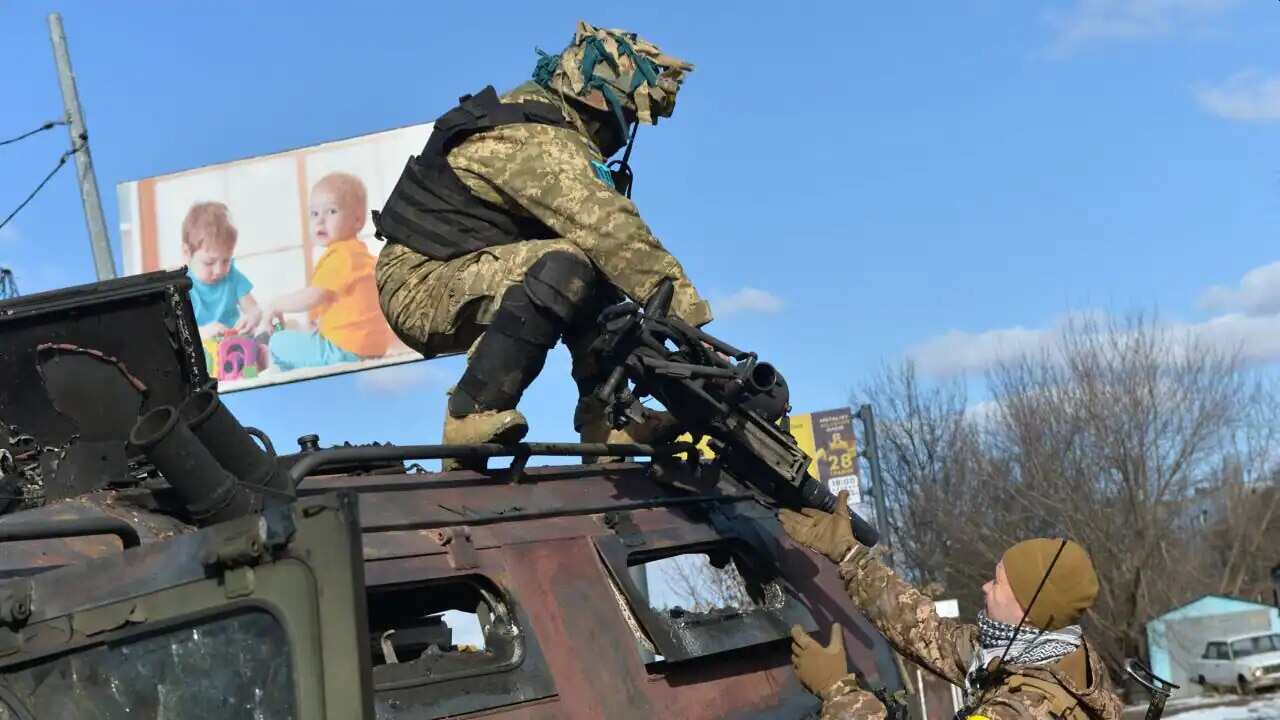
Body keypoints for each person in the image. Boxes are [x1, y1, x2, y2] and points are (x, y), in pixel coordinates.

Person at [372, 21, 711, 465]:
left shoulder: (547, 125)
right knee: (568, 262)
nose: (622, 137)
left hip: (464, 270)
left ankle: (607, 419)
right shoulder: (538, 137)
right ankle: (470, 413)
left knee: (597, 278)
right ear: (597, 106)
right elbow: (611, 228)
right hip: (421, 283)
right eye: (624, 119)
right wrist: (694, 332)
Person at [780, 492, 1123, 720]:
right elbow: (924, 631)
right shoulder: (1053, 654)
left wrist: (837, 690)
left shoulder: (1019, 711)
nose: (984, 587)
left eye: (998, 581)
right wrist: (849, 554)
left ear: (1029, 609)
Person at [261, 172, 390, 370]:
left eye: (331, 211)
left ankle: (288, 378)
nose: (320, 221)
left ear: (357, 220)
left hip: (344, 350)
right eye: (314, 214)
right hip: (374, 347)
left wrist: (276, 304)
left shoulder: (341, 255)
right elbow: (347, 307)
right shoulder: (361, 255)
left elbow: (313, 296)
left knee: (278, 342)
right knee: (301, 332)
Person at [181, 202, 261, 337]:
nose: (219, 270)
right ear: (187, 252)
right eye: (209, 262)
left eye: (226, 261)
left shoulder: (232, 276)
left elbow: (254, 310)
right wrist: (203, 333)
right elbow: (180, 334)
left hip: (234, 349)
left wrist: (252, 318)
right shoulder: (182, 286)